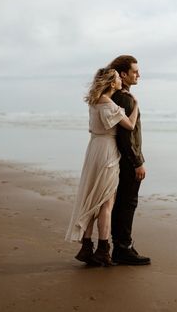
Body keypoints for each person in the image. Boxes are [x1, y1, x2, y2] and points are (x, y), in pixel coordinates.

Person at [65, 67, 139, 266]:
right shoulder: (107, 103)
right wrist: (136, 106)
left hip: (94, 149)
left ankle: (87, 247)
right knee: (106, 202)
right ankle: (103, 250)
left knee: (91, 199)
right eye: (116, 78)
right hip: (106, 151)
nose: (119, 81)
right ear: (111, 82)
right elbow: (130, 125)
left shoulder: (94, 102)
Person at [108, 55, 151, 265]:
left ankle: (119, 246)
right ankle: (123, 249)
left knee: (121, 203)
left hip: (120, 157)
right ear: (123, 74)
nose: (138, 74)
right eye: (135, 71)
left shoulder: (116, 96)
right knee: (127, 203)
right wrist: (138, 162)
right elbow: (127, 136)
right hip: (128, 159)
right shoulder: (125, 98)